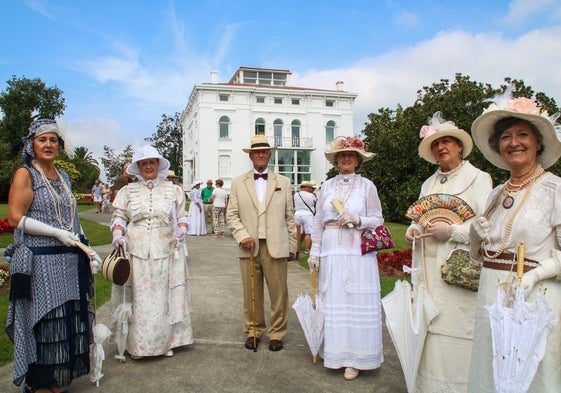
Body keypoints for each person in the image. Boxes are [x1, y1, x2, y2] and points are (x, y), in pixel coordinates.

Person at [467, 95, 561, 392]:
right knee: (490, 370)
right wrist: (474, 237)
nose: (514, 142)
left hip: (534, 298)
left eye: (522, 134)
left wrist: (534, 275)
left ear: (538, 143)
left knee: (531, 375)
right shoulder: (495, 194)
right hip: (490, 300)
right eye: (505, 137)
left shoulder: (554, 189)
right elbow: (480, 255)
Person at [6, 118, 101, 392]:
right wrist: (55, 233)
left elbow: (70, 219)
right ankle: (39, 384)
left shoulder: (64, 176)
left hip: (68, 264)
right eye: (42, 140)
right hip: (41, 263)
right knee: (46, 323)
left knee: (67, 322)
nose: (48, 145)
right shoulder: (26, 174)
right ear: (32, 145)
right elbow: (15, 217)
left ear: (59, 146)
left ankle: (58, 382)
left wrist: (86, 247)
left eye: (53, 140)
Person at [404, 112, 492, 392]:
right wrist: (413, 229)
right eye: (436, 144)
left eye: (447, 142)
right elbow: (420, 217)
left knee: (455, 332)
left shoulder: (479, 179)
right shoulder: (428, 184)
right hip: (427, 268)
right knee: (428, 330)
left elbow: (485, 228)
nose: (441, 147)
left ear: (459, 146)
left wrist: (452, 232)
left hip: (457, 267)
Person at [307, 136, 383, 380]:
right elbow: (318, 221)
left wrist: (359, 220)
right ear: (336, 160)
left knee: (355, 301)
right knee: (335, 299)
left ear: (358, 160)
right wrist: (314, 251)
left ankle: (356, 358)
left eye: (351, 155)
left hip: (357, 252)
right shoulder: (327, 186)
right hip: (332, 250)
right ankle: (336, 354)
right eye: (342, 155)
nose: (346, 158)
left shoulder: (367, 186)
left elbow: (378, 219)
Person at [110, 145, 193, 360]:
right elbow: (119, 216)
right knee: (140, 298)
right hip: (135, 251)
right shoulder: (128, 191)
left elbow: (182, 216)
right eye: (144, 163)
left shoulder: (172, 190)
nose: (148, 166)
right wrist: (117, 233)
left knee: (162, 298)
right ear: (138, 167)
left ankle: (165, 342)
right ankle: (137, 345)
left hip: (164, 250)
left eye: (152, 162)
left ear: (158, 165)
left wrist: (182, 228)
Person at [226, 134, 296, 352]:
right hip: (248, 246)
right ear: (251, 156)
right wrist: (241, 235)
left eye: (264, 151)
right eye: (256, 151)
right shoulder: (238, 183)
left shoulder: (283, 182)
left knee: (279, 293)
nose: (260, 155)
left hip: (276, 245)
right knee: (251, 293)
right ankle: (254, 331)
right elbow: (232, 215)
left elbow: (289, 217)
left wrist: (292, 246)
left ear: (269, 154)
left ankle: (277, 333)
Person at [294, 180, 318, 254]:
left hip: (297, 214)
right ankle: (307, 249)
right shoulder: (312, 195)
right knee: (309, 233)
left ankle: (297, 247)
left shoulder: (296, 194)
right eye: (311, 188)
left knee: (298, 232)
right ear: (307, 188)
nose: (313, 190)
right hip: (308, 214)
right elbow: (316, 203)